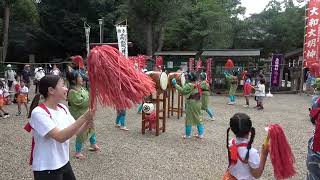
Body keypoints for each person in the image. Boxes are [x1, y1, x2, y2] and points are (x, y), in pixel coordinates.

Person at [25, 75, 94, 180]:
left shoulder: (63, 108)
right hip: (47, 168)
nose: (66, 88)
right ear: (51, 90)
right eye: (63, 86)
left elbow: (77, 131)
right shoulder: (39, 112)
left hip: (64, 162)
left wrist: (88, 121)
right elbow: (60, 137)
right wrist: (84, 117)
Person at [223, 113, 269, 180]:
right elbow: (257, 174)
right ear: (250, 130)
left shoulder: (231, 143)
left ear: (232, 130)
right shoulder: (252, 153)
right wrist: (264, 154)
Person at [67, 71, 100, 159]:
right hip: (79, 115)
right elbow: (80, 103)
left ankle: (93, 144)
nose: (82, 78)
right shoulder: (72, 92)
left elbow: (87, 97)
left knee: (91, 127)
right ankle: (78, 151)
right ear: (74, 80)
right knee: (81, 132)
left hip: (87, 112)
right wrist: (91, 98)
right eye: (79, 77)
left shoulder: (82, 88)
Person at [172, 72, 204, 139]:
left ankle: (187, 135)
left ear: (189, 78)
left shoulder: (189, 85)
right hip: (198, 102)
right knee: (198, 117)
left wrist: (175, 84)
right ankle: (201, 134)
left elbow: (183, 91)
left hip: (191, 103)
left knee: (189, 119)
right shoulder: (198, 83)